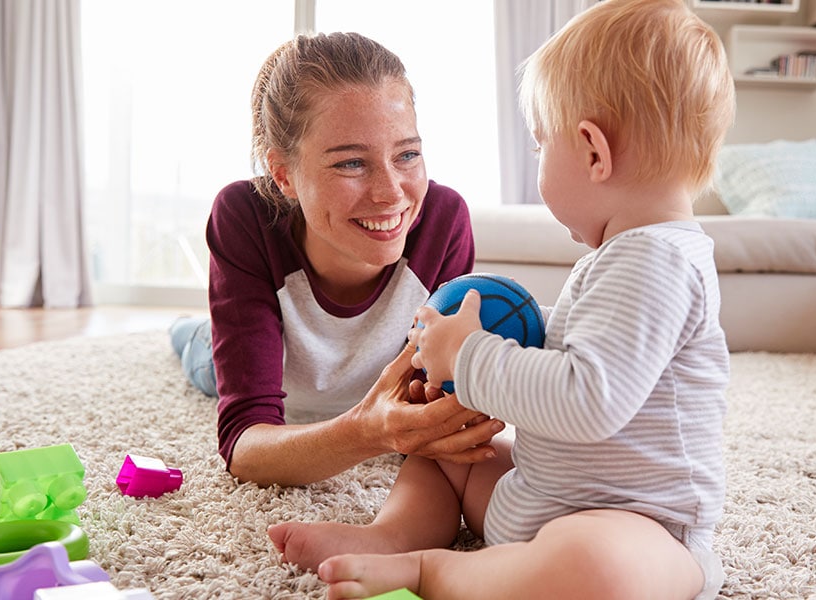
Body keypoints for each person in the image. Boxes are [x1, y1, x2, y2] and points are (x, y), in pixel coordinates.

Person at [271, 0, 738, 597]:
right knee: (446, 452)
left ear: (594, 152)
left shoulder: (658, 260)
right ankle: (394, 534)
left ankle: (431, 570)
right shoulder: (621, 256)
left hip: (640, 527)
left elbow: (587, 401)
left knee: (596, 568)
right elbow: (584, 347)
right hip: (545, 493)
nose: (538, 158)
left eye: (542, 144)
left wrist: (471, 355)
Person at [170, 32, 505, 488]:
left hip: (359, 386)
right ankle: (184, 331)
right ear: (283, 174)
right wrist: (370, 433)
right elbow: (245, 449)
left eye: (407, 154)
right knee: (201, 353)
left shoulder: (444, 220)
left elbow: (436, 390)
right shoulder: (243, 215)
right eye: (351, 163)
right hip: (261, 365)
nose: (391, 193)